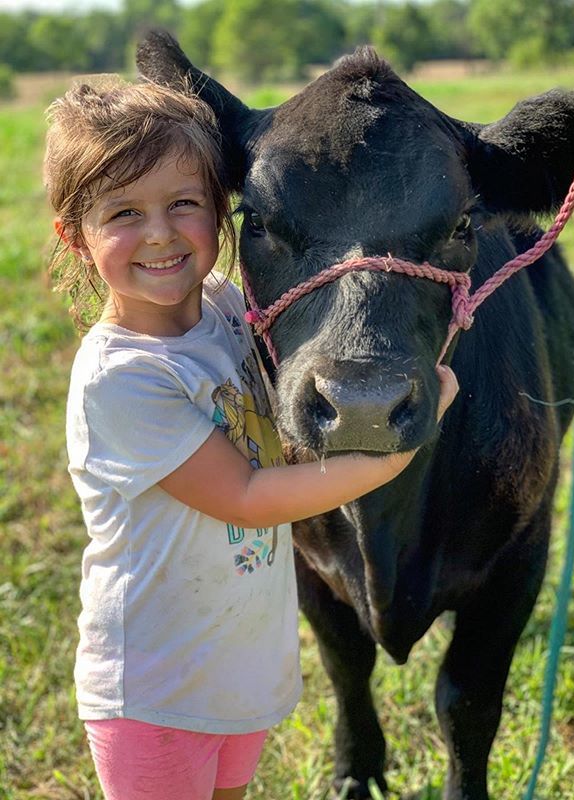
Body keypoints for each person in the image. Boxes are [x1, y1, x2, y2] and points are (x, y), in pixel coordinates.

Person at [44, 78, 459, 800]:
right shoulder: (122, 377)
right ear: (72, 235)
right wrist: (394, 451)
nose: (161, 234)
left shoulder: (230, 312)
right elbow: (247, 496)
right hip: (153, 684)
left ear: (220, 209)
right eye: (123, 213)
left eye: (184, 204)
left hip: (234, 664)